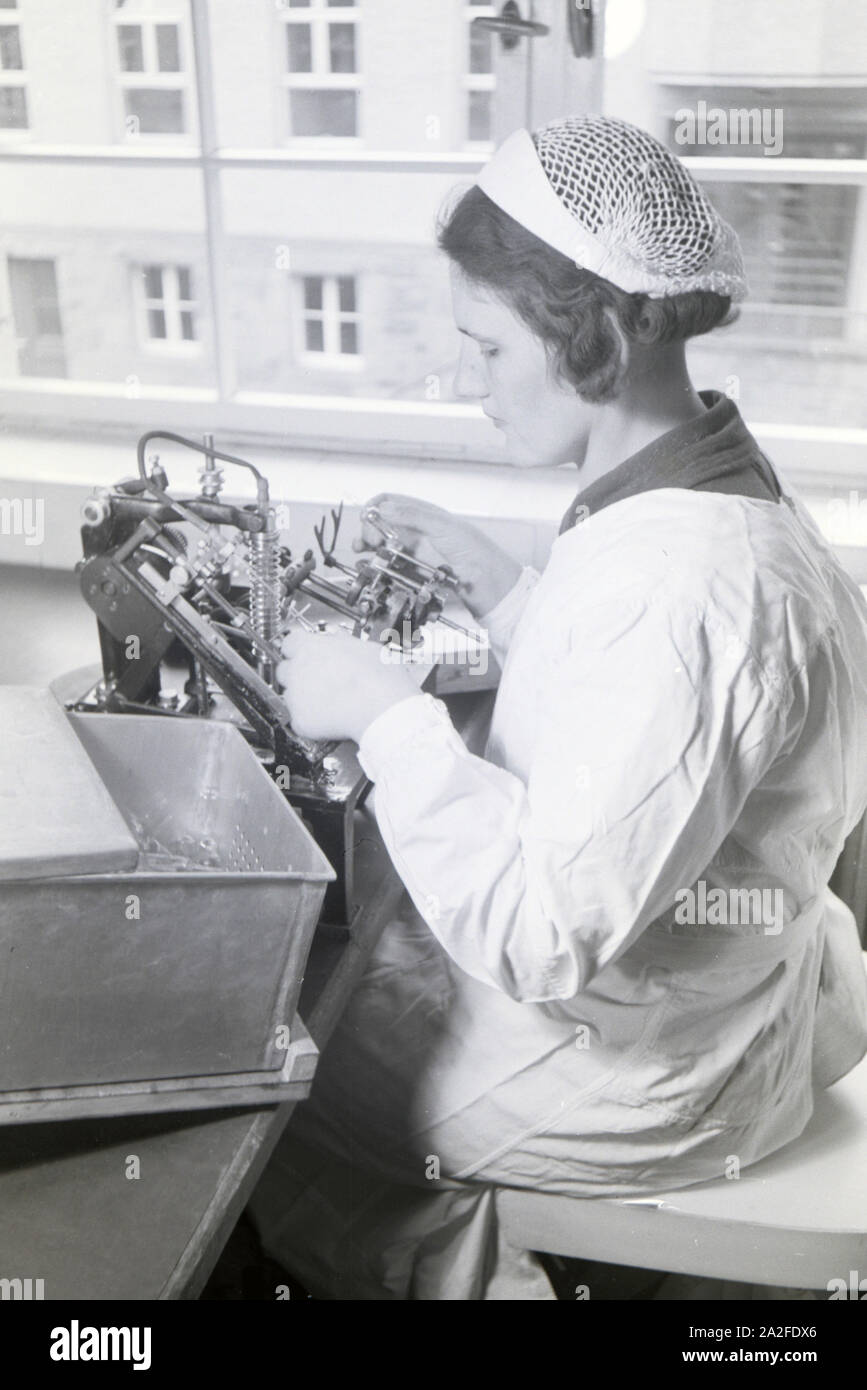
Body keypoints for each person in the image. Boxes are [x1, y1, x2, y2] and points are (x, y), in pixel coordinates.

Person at [250, 115, 867, 1300]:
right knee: (371, 963)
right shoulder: (718, 489)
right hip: (739, 988)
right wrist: (508, 584)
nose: (468, 383)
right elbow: (666, 737)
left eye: (484, 350)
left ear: (599, 333)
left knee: (278, 1075)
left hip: (653, 1072)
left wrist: (380, 711)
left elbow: (540, 932)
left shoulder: (680, 586)